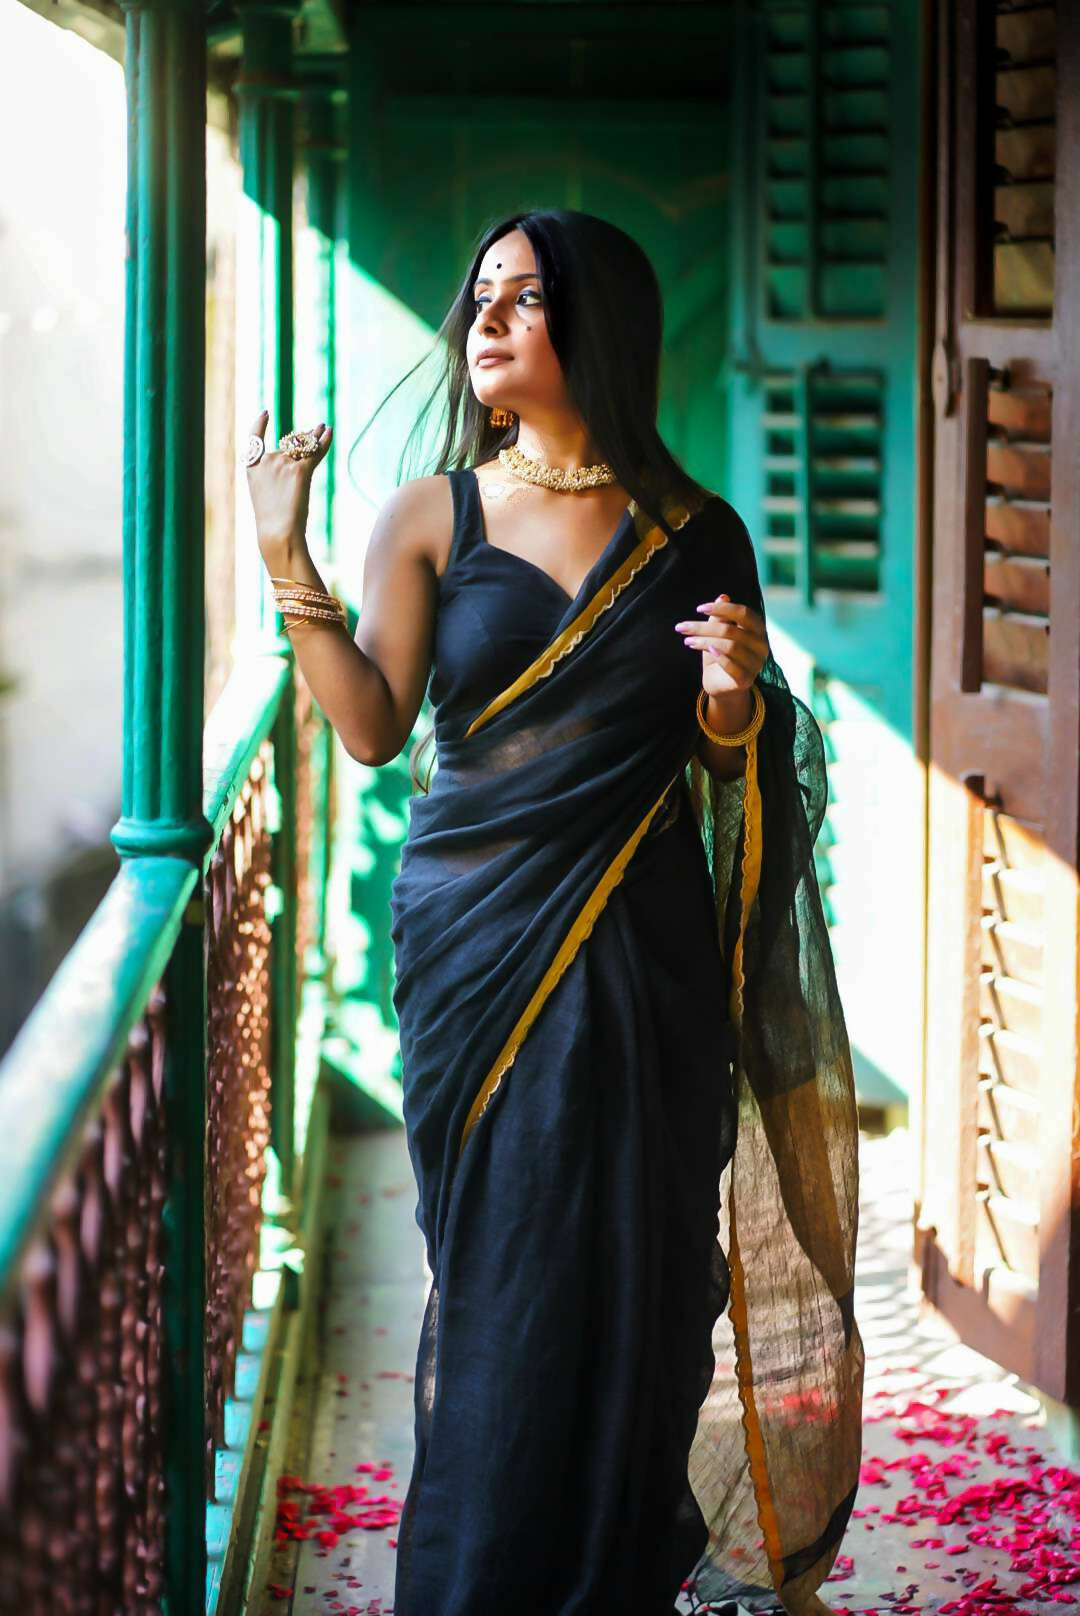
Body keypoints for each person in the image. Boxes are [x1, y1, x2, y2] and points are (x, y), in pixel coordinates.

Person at [244, 210, 864, 1616]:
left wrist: (731, 705)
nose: (487, 319)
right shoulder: (431, 515)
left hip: (647, 964)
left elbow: (731, 762)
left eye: (525, 298)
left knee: (647, 1290)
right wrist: (287, 559)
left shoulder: (697, 532)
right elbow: (372, 728)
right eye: (481, 295)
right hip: (476, 950)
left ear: (601, 322)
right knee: (510, 1288)